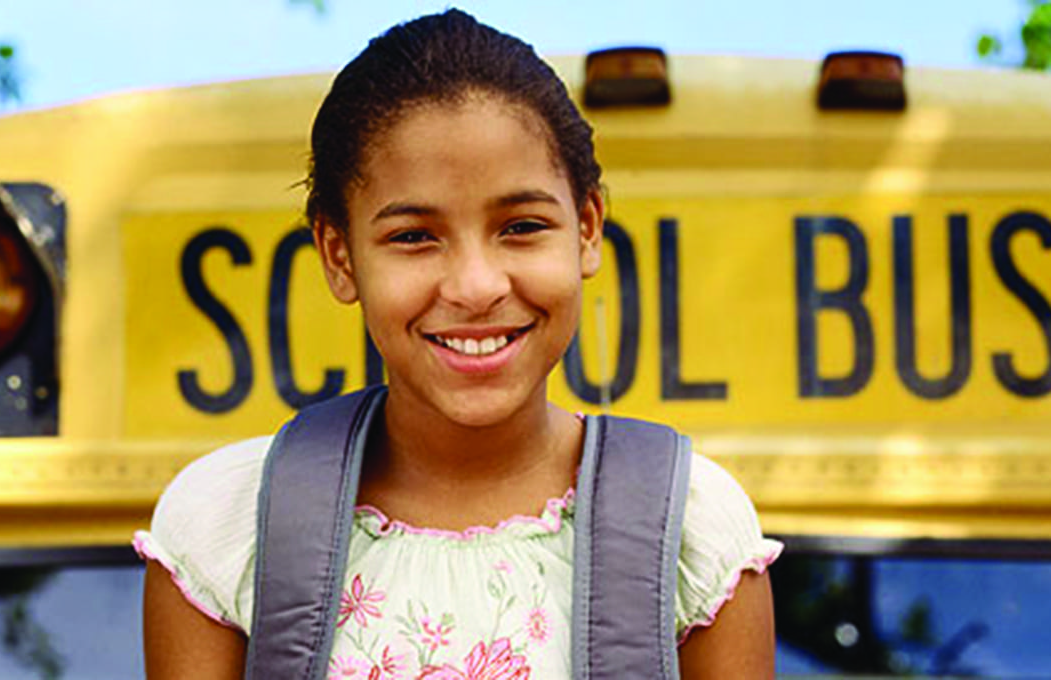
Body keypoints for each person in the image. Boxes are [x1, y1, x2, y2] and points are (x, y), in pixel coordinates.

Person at [135, 9, 781, 679]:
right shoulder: (234, 530)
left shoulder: (689, 536)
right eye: (414, 236)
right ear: (339, 255)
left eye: (523, 225)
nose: (475, 286)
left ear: (587, 229)